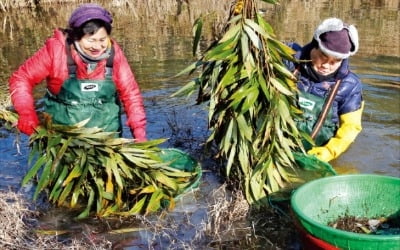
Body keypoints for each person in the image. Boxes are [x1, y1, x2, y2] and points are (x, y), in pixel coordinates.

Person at [9, 3, 147, 142]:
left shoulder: (114, 55)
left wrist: (139, 133)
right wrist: (26, 113)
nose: (97, 47)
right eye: (91, 40)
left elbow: (131, 95)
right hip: (62, 142)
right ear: (76, 37)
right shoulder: (56, 50)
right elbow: (22, 78)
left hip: (107, 143)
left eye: (102, 40)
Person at [285, 17, 364, 162]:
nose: (326, 66)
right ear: (313, 46)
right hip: (276, 147)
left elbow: (350, 127)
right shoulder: (287, 59)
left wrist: (328, 152)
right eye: (323, 56)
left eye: (335, 61)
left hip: (315, 155)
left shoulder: (350, 86)